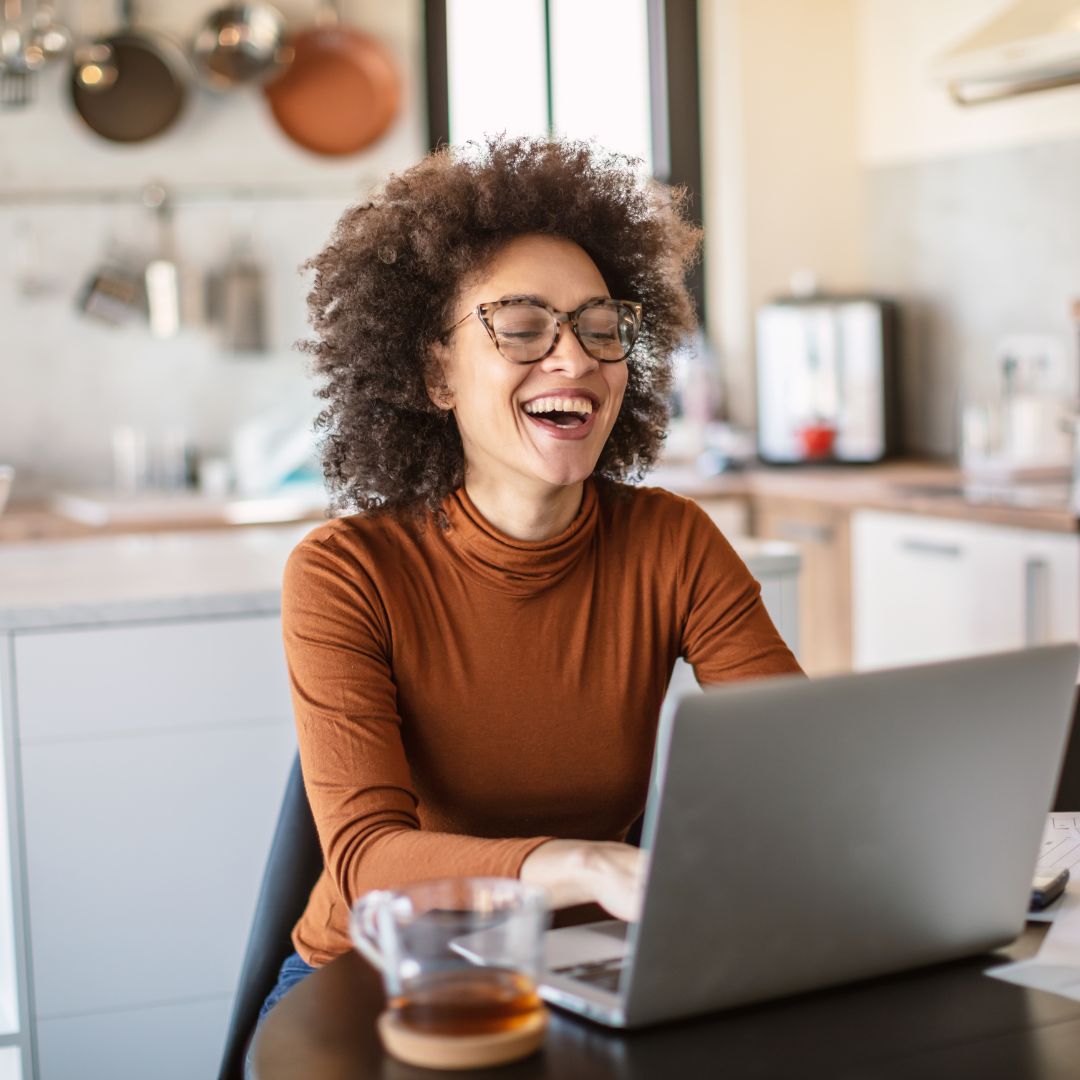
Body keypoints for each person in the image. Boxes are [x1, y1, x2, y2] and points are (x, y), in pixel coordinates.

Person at [258, 134, 803, 1023]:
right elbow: (365, 865)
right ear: (436, 372)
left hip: (592, 967)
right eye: (521, 328)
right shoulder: (346, 572)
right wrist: (583, 862)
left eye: (600, 327)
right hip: (379, 978)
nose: (576, 359)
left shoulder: (672, 541)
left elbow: (792, 759)